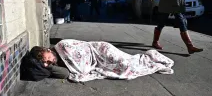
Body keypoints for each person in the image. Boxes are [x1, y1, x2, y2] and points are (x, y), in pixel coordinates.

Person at [24, 39, 174, 82]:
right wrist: (47, 66)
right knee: (124, 70)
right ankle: (150, 61)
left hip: (100, 50)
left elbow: (81, 59)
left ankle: (150, 57)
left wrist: (84, 67)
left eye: (49, 59)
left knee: (127, 64)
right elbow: (65, 73)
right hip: (97, 62)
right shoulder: (55, 63)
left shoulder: (62, 45)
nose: (51, 62)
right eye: (48, 63)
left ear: (47, 50)